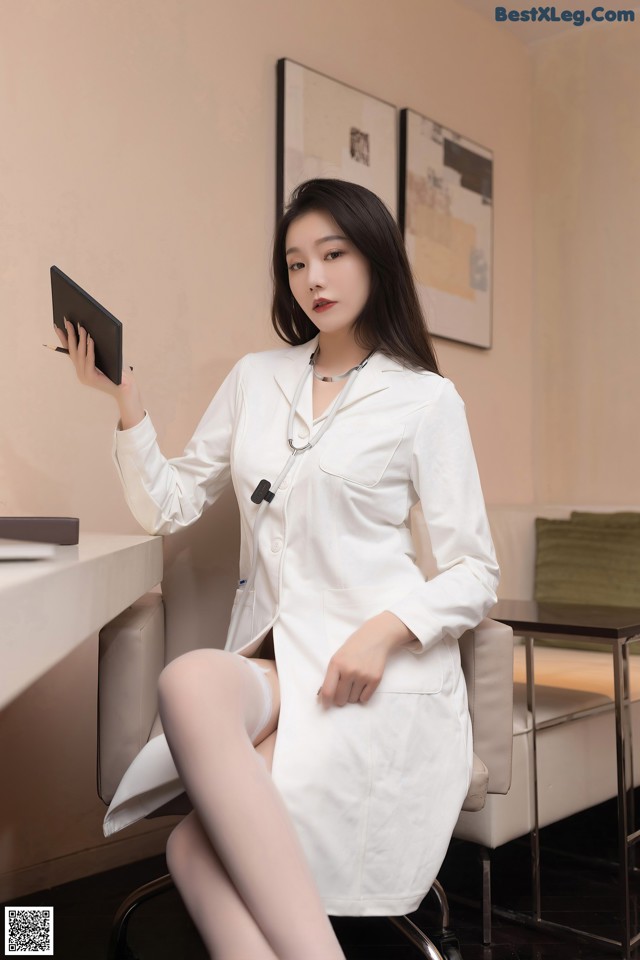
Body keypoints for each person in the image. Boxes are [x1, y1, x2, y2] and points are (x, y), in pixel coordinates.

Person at [56, 177, 499, 960]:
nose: (314, 279)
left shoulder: (426, 402)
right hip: (273, 663)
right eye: (296, 264)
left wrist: (384, 633)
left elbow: (473, 572)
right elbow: (167, 505)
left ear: (376, 261)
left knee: (191, 850)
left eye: (333, 254)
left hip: (369, 675)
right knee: (189, 680)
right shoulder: (257, 378)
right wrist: (122, 399)